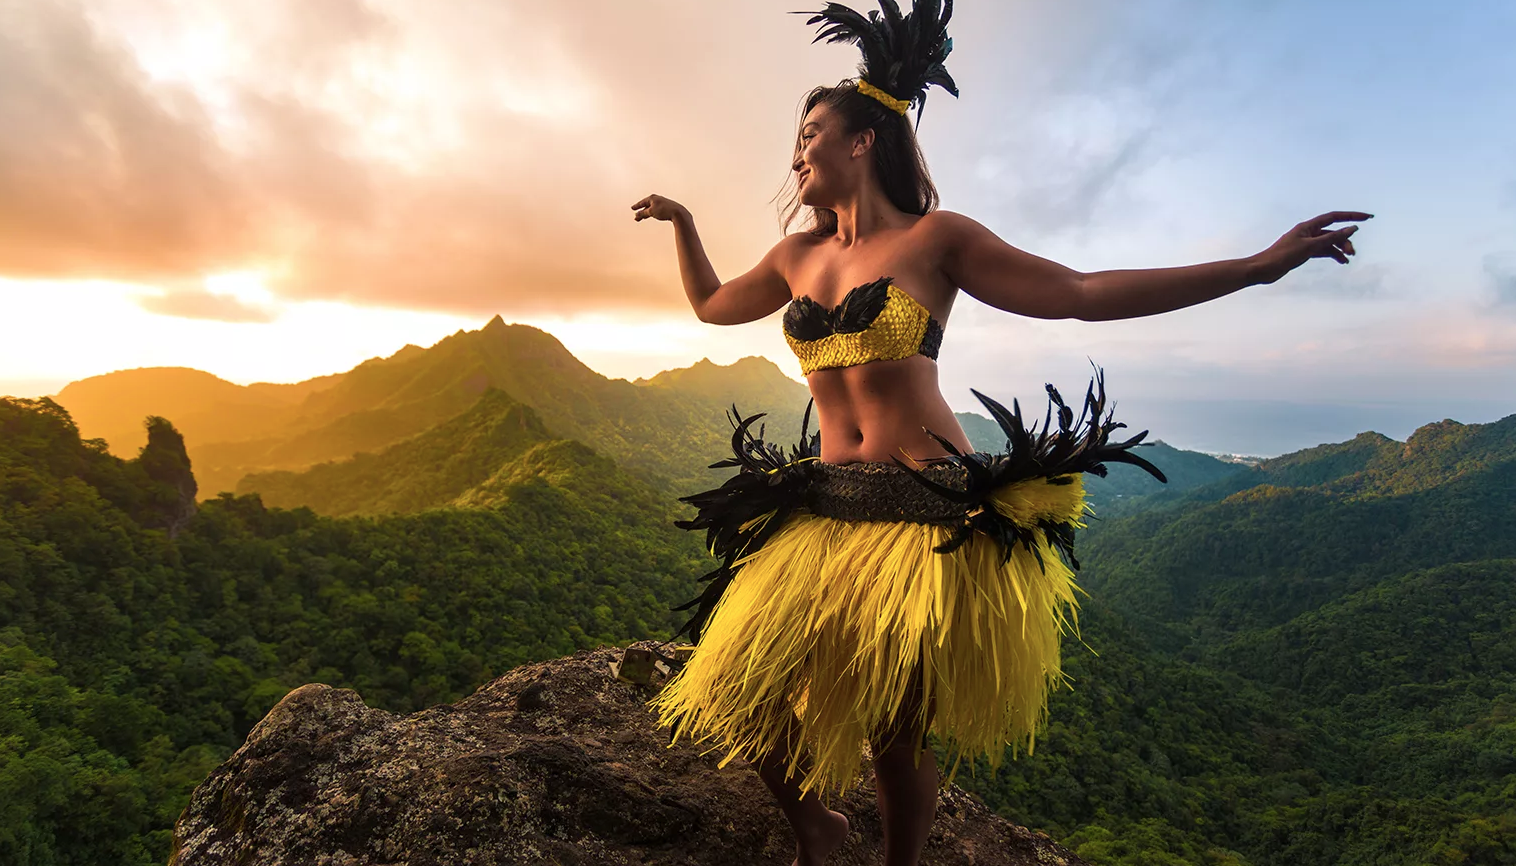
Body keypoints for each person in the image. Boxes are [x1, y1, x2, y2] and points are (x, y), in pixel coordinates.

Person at [630, 3, 1370, 865]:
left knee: (897, 735)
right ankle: (819, 832)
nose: (796, 153)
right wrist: (685, 226)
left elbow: (1082, 290)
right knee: (747, 696)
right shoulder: (794, 256)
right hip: (827, 512)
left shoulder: (935, 239)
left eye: (811, 132)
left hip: (927, 517)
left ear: (862, 141)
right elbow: (714, 307)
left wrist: (1255, 267)